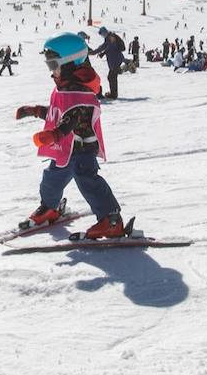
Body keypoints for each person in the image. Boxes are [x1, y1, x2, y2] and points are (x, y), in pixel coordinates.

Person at [14, 33, 128, 240]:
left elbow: (72, 118)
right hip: (65, 148)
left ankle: (111, 220)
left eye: (53, 64)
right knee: (52, 178)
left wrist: (54, 134)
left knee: (87, 180)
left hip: (82, 147)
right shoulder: (65, 88)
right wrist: (35, 111)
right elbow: (58, 112)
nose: (51, 70)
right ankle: (50, 207)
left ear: (69, 63)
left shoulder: (80, 91)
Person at [91, 27, 126, 98]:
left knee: (112, 77)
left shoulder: (111, 37)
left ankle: (114, 94)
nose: (102, 35)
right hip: (115, 59)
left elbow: (108, 47)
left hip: (115, 60)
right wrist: (103, 53)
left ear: (105, 32)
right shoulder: (109, 38)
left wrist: (94, 52)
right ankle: (113, 93)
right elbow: (108, 47)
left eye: (102, 34)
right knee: (112, 77)